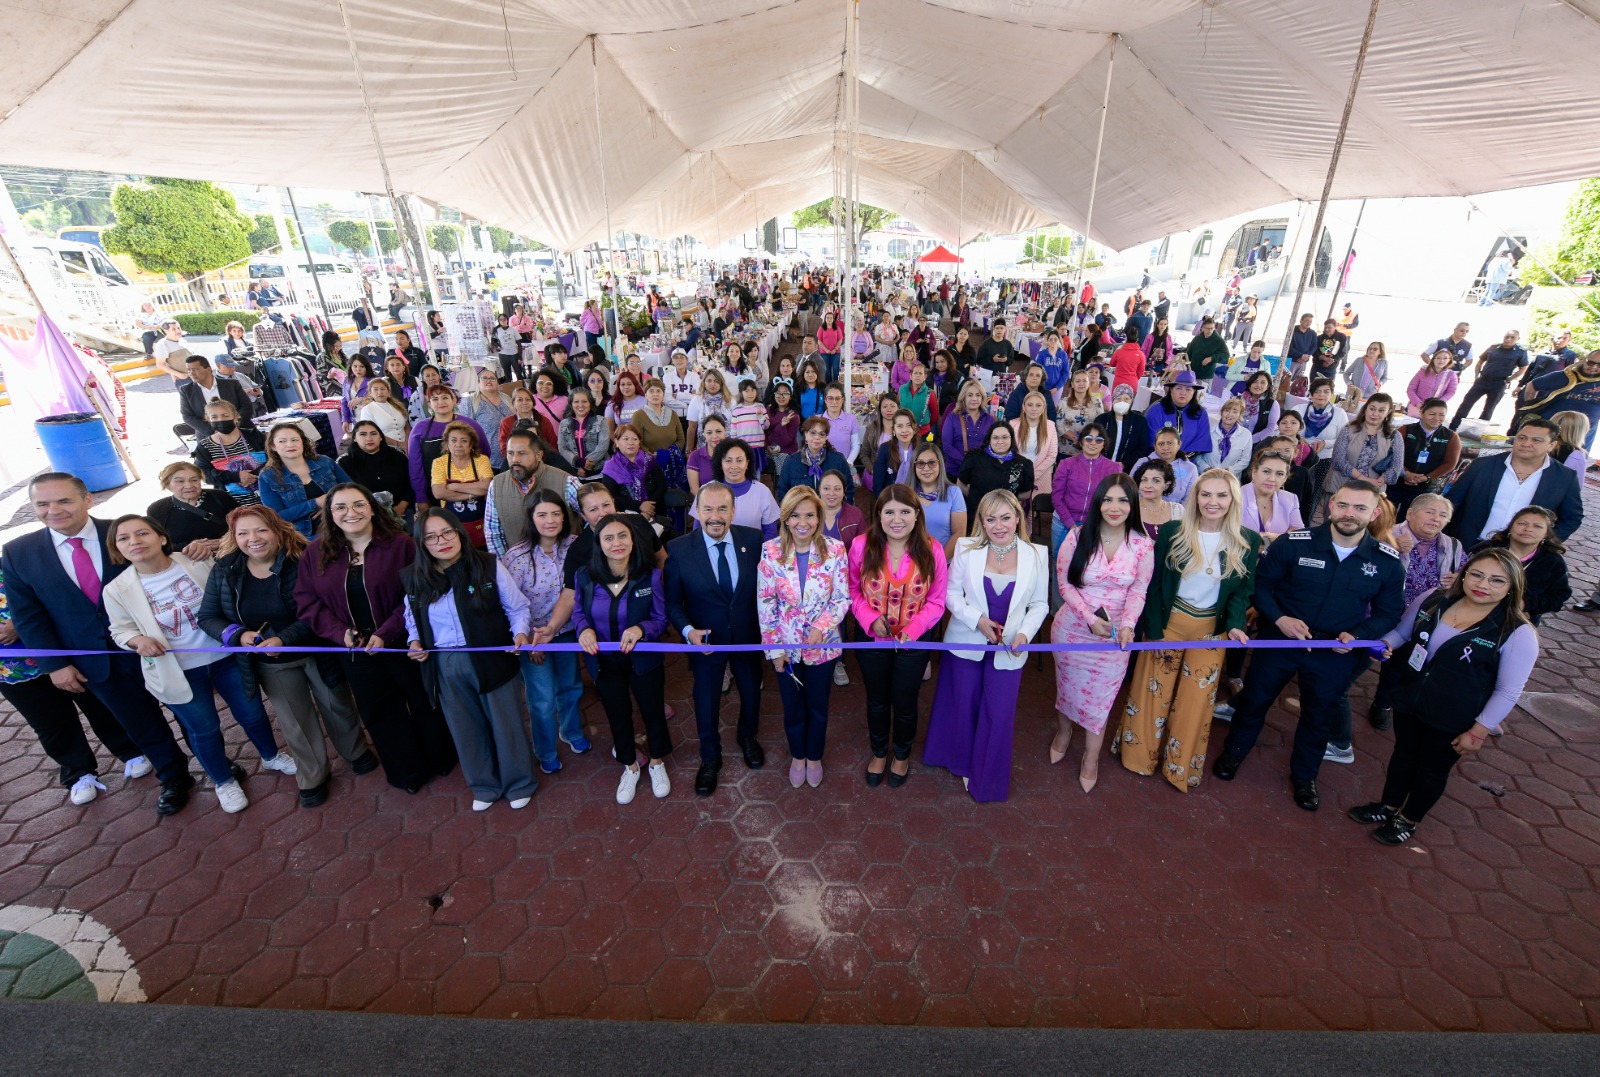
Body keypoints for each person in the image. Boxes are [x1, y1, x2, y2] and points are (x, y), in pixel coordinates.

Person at [3, 475, 194, 813]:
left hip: (155, 645)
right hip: (96, 661)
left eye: (63, 501)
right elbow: (29, 616)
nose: (53, 510)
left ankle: (215, 764)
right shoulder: (19, 553)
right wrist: (55, 665)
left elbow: (166, 567)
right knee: (139, 723)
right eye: (42, 504)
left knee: (191, 712)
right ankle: (174, 776)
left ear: (87, 500)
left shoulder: (122, 533)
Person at [1213, 480, 1406, 810]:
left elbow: (1390, 611)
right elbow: (1261, 587)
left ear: (1374, 513)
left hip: (1334, 652)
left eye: (1360, 508)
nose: (1349, 513)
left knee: (1318, 716)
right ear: (1331, 506)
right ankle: (1233, 754)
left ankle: (1304, 776)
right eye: (1343, 505)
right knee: (1254, 701)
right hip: (1280, 642)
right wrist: (1279, 619)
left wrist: (1360, 635)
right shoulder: (1294, 543)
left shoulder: (1387, 561)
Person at [103, 514, 295, 814]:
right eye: (123, 539)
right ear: (116, 548)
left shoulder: (195, 561)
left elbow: (231, 580)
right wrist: (136, 641)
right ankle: (223, 781)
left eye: (142, 533)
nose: (135, 542)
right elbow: (120, 629)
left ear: (162, 537)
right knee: (203, 729)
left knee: (253, 712)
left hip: (225, 657)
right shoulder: (117, 589)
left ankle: (271, 756)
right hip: (179, 670)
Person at [1349, 548, 1538, 846]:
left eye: (1496, 580)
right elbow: (1403, 632)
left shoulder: (1516, 632)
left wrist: (1479, 730)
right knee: (1403, 755)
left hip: (1455, 717)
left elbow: (1509, 690)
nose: (1483, 584)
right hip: (1411, 700)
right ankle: (1387, 806)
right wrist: (1385, 644)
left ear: (1512, 587)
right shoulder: (1435, 598)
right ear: (1464, 574)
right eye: (1476, 574)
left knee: (1431, 769)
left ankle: (1408, 820)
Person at [198, 504, 375, 808]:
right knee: (294, 721)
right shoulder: (225, 568)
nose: (253, 538)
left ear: (277, 531)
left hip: (316, 649)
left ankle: (356, 752)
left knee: (337, 705)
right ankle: (313, 775)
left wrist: (285, 637)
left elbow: (321, 610)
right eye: (243, 533)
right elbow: (208, 616)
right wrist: (237, 635)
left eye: (261, 530)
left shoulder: (303, 558)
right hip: (271, 662)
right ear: (234, 537)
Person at [295, 483, 458, 794]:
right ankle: (407, 772)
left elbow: (418, 593)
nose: (350, 513)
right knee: (379, 711)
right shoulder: (315, 553)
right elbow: (306, 601)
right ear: (330, 514)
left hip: (403, 642)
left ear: (371, 507)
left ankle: (441, 757)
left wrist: (387, 632)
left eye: (358, 505)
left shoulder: (400, 545)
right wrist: (338, 632)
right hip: (354, 651)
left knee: (424, 701)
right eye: (340, 507)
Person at [1116, 470, 1260, 792]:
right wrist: (1151, 629)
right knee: (1152, 693)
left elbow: (1242, 593)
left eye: (1221, 495)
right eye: (1205, 494)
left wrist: (1235, 626)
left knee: (1196, 702)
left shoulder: (1247, 540)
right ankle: (1138, 758)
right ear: (1195, 496)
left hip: (1212, 630)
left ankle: (1179, 767)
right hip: (1169, 624)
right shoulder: (1172, 532)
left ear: (1233, 500)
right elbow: (1154, 586)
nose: (1213, 501)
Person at [403, 509, 536, 811]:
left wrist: (520, 634)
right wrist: (414, 641)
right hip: (446, 663)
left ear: (459, 532)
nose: (442, 541)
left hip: (492, 657)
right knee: (464, 728)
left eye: (448, 532)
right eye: (432, 537)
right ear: (422, 543)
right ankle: (484, 786)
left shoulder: (487, 565)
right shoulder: (414, 578)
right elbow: (411, 618)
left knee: (507, 724)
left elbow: (517, 608)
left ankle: (519, 783)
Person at [924, 490, 1048, 802]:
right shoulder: (966, 548)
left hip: (1010, 649)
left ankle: (988, 777)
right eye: (990, 518)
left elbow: (1040, 604)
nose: (999, 525)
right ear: (981, 520)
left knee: (999, 711)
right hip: (966, 642)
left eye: (1005, 517)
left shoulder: (1037, 554)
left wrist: (1025, 635)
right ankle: (962, 763)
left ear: (1018, 517)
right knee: (964, 704)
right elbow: (950, 594)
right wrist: (976, 619)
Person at [0, 550, 150, 806]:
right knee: (50, 723)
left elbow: (50, 593)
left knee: (99, 704)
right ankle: (79, 773)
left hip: (62, 650)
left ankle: (131, 750)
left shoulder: (12, 562)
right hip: (13, 670)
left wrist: (18, 622)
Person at [1050, 474, 1153, 792]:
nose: (1115, 506)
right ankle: (1064, 732)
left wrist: (1127, 626)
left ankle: (1090, 759)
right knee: (1068, 691)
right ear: (1098, 502)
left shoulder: (1142, 545)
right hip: (1072, 632)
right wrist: (1088, 618)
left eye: (1123, 500)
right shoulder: (1078, 536)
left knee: (1100, 701)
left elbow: (1138, 592)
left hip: (1113, 640)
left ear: (1132, 505)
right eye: (1108, 499)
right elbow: (1064, 582)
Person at [666, 482, 766, 796]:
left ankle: (748, 736)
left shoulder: (755, 540)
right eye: (708, 509)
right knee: (706, 700)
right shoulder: (679, 549)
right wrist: (687, 631)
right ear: (697, 511)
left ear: (733, 511)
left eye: (723, 508)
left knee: (751, 693)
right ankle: (710, 756)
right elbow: (671, 603)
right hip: (705, 643)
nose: (715, 516)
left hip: (747, 637)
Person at [849, 485, 948, 786]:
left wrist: (914, 630)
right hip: (871, 640)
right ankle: (880, 751)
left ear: (917, 515)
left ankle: (902, 754)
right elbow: (852, 589)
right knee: (877, 700)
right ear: (878, 515)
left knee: (905, 702)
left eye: (905, 511)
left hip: (914, 644)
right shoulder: (861, 545)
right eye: (889, 512)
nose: (897, 519)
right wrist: (868, 618)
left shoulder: (933, 549)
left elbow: (936, 601)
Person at [573, 514, 672, 804]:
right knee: (617, 714)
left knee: (652, 710)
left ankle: (656, 762)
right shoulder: (585, 576)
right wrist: (584, 629)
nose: (617, 543)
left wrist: (641, 629)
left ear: (633, 540)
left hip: (643, 660)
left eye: (622, 536)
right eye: (609, 538)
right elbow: (578, 613)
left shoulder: (650, 575)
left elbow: (660, 618)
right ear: (599, 544)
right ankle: (629, 765)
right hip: (605, 661)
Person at [757, 486, 851, 789]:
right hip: (786, 648)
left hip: (822, 648)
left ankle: (814, 756)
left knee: (818, 707)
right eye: (795, 515)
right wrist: (774, 652)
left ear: (819, 517)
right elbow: (766, 602)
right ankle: (798, 756)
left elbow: (841, 598)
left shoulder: (835, 549)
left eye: (810, 515)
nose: (803, 522)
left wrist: (820, 627)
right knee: (793, 707)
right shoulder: (770, 550)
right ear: (785, 518)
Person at [502, 489, 590, 774]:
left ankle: (571, 731)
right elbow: (511, 605)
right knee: (541, 698)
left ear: (565, 517)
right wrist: (529, 641)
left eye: (555, 513)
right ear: (531, 518)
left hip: (567, 631)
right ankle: (546, 750)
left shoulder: (576, 546)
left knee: (571, 687)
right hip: (533, 637)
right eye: (542, 514)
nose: (550, 520)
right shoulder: (516, 557)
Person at [1445, 418, 1583, 543]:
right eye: (1522, 438)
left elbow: (1572, 518)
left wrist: (1543, 544)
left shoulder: (1564, 477)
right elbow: (1452, 501)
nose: (1526, 443)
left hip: (1518, 554)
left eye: (1536, 440)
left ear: (1552, 445)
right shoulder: (1483, 465)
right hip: (1468, 544)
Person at [1471, 506, 1571, 626]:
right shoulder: (1486, 549)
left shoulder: (1552, 562)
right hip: (1473, 610)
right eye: (1522, 523)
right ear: (1510, 528)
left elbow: (1558, 597)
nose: (1528, 529)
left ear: (1546, 534)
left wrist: (1525, 604)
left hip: (1517, 619)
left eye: (1537, 526)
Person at [257, 422, 352, 538]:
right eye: (282, 441)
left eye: (295, 440)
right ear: (273, 446)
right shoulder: (267, 477)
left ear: (302, 442)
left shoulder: (325, 462)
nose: (290, 445)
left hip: (342, 523)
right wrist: (316, 503)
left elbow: (352, 489)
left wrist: (330, 505)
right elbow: (276, 517)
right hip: (304, 536)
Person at [407, 385, 489, 507]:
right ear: (429, 404)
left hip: (472, 492)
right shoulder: (420, 429)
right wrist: (421, 497)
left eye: (445, 397)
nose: (441, 402)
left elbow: (484, 453)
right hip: (433, 493)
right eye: (435, 399)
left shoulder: (471, 424)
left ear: (454, 400)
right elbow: (415, 466)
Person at [147, 461, 236, 561]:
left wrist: (226, 542)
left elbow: (244, 526)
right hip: (187, 564)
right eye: (180, 481)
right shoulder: (157, 509)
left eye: (194, 480)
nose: (189, 486)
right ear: (167, 484)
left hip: (228, 557)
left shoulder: (220, 497)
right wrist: (191, 547)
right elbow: (156, 544)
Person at [1515, 349, 1600, 449]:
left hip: (1581, 436)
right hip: (1549, 431)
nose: (1594, 367)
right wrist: (1530, 405)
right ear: (1584, 360)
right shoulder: (1563, 376)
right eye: (1590, 363)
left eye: (1599, 365)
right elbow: (1532, 385)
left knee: (1572, 462)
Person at [429, 422, 493, 548]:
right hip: (451, 525)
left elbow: (487, 487)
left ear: (471, 444)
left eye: (464, 440)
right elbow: (439, 493)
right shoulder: (439, 463)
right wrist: (472, 494)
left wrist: (454, 487)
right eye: (453, 440)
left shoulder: (481, 460)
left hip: (481, 523)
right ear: (447, 443)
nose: (458, 444)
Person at [1451, 330, 1529, 430]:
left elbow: (1523, 368)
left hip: (1499, 383)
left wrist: (1510, 379)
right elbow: (1480, 361)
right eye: (1507, 336)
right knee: (1466, 403)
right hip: (1483, 380)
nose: (1508, 339)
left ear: (1518, 339)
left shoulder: (1520, 352)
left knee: (1488, 409)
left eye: (1512, 337)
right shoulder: (1494, 347)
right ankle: (1454, 427)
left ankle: (1476, 432)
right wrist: (1476, 376)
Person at [338, 420, 412, 518]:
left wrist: (402, 505)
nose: (369, 438)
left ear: (381, 437)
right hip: (363, 516)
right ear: (354, 438)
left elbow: (411, 483)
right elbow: (343, 493)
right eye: (363, 434)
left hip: (402, 511)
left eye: (373, 434)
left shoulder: (397, 456)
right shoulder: (345, 462)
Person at [779, 416, 854, 503]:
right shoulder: (791, 461)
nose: (817, 437)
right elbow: (783, 491)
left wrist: (840, 513)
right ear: (805, 435)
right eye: (813, 433)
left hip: (831, 512)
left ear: (826, 438)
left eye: (822, 434)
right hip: (802, 513)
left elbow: (848, 489)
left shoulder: (838, 460)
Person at [178, 355, 252, 437]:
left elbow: (246, 406)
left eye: (195, 369)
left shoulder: (232, 384)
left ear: (208, 369)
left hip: (240, 430)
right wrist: (213, 432)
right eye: (189, 370)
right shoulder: (186, 390)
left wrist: (235, 426)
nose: (191, 373)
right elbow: (187, 416)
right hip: (208, 436)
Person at [1239, 450, 1303, 541]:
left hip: (1277, 554)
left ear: (1285, 479)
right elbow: (1227, 532)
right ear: (1254, 473)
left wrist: (1275, 539)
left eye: (1279, 474)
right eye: (1266, 471)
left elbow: (1298, 533)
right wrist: (1277, 538)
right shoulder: (1236, 497)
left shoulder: (1290, 499)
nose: (1272, 479)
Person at [1145, 372, 1213, 459]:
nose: (1183, 393)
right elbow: (1151, 440)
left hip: (1187, 462)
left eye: (1188, 389)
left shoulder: (1200, 413)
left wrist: (1182, 459)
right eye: (1178, 388)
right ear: (1171, 390)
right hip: (1157, 460)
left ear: (1194, 392)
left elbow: (1201, 442)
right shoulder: (1156, 410)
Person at [939, 379, 996, 476]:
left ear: (982, 398)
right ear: (963, 398)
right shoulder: (952, 417)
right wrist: (967, 463)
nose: (974, 399)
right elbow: (947, 446)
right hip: (955, 472)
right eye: (970, 395)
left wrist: (980, 464)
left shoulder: (990, 419)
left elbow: (992, 446)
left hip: (981, 472)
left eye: (978, 395)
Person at [1093, 383, 1151, 471]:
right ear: (1113, 400)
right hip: (1101, 466)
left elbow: (1142, 448)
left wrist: (1124, 463)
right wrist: (1104, 462)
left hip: (1127, 469)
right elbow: (1095, 442)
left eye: (1126, 399)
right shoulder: (1102, 419)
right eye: (1118, 398)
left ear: (1132, 401)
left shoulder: (1140, 422)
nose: (1122, 402)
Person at [559, 387, 610, 478]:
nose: (580, 405)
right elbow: (562, 448)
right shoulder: (564, 424)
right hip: (575, 473)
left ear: (590, 403)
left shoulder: (601, 421)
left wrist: (586, 465)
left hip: (600, 472)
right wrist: (578, 462)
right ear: (571, 404)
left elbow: (603, 446)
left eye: (584, 401)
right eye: (576, 402)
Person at [1201, 396, 1254, 477]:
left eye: (1235, 412)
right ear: (1221, 412)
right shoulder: (1208, 430)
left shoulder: (1246, 435)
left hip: (1230, 478)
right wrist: (1205, 468)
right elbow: (1197, 454)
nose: (1230, 414)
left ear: (1240, 415)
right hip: (1205, 475)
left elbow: (1245, 461)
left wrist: (1229, 471)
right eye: (1227, 410)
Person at [1186, 317, 1230, 391]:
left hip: (1206, 375)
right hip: (1192, 373)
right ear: (1202, 328)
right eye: (1207, 328)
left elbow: (1226, 355)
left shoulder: (1218, 340)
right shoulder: (1197, 339)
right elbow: (1188, 354)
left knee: (1202, 397)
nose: (1209, 331)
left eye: (1212, 328)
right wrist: (1187, 367)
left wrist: (1211, 358)